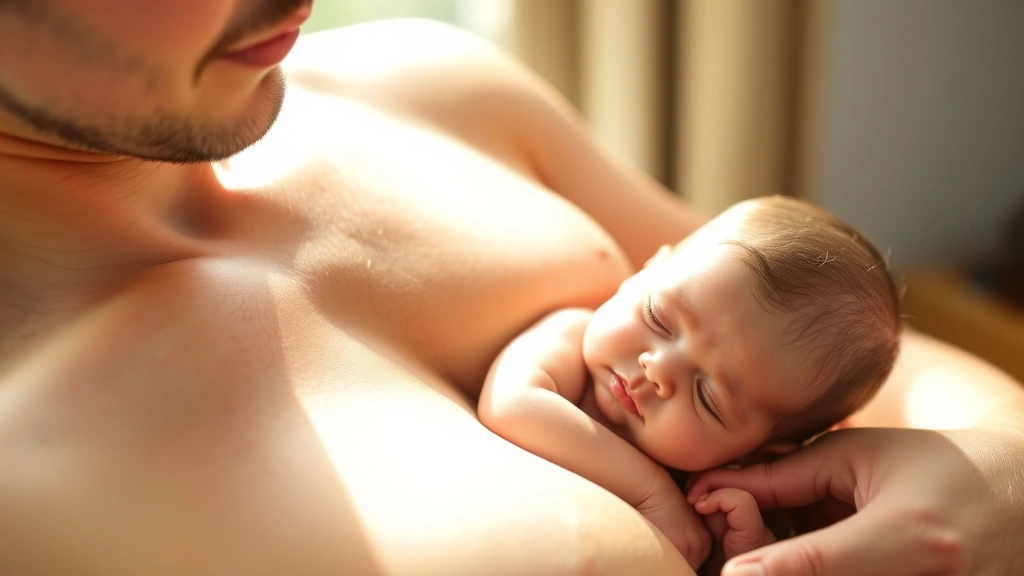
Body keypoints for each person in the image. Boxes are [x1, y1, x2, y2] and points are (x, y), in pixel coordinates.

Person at [0, 2, 1022, 574]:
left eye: (713, 395)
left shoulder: (425, 86)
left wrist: (998, 476)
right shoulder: (27, 484)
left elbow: (869, 357)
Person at [479, 195, 901, 569]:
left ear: (757, 453)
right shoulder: (569, 338)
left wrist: (740, 549)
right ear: (646, 270)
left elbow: (701, 555)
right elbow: (510, 404)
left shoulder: (711, 493)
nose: (657, 368)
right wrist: (651, 491)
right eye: (657, 318)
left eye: (707, 396)